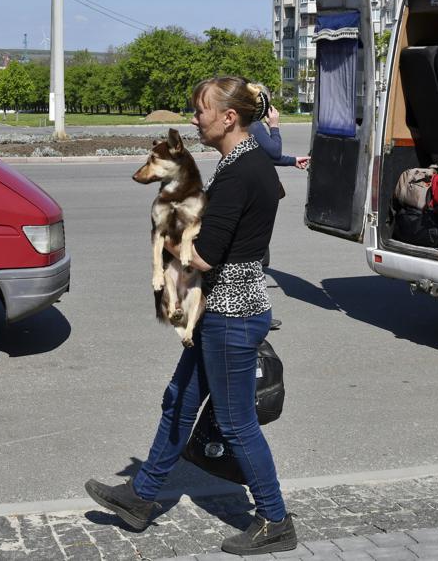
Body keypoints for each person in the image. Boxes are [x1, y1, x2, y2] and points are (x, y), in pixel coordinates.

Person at [85, 77, 297, 556]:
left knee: (237, 422)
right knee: (179, 400)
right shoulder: (249, 164)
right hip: (224, 309)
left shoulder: (240, 172)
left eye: (200, 111)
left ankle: (275, 520)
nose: (194, 118)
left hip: (231, 313)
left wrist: (167, 238)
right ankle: (141, 498)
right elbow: (257, 215)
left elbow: (205, 255)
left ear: (229, 118)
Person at [247, 96, 309, 331]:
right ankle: (257, 316)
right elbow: (273, 151)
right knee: (258, 257)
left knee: (257, 257)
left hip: (252, 194)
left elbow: (267, 155)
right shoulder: (254, 125)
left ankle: (257, 314)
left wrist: (292, 161)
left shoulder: (245, 126)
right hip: (257, 196)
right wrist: (274, 125)